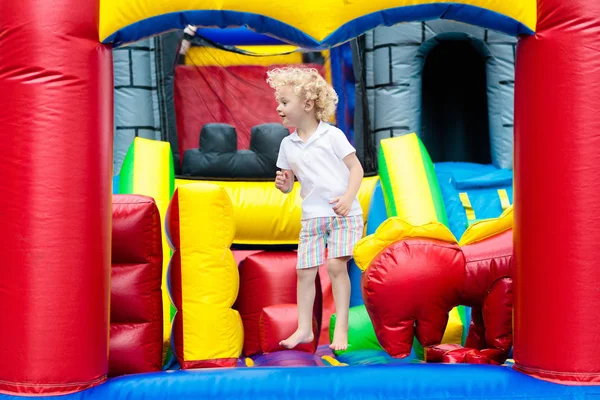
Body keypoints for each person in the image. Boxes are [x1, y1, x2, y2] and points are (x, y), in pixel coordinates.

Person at [267, 67, 364, 351]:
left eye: (285, 102)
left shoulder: (331, 135)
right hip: (312, 216)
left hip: (342, 213)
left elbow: (355, 169)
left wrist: (348, 197)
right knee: (304, 272)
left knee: (336, 267)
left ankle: (342, 330)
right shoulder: (288, 144)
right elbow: (288, 185)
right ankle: (304, 329)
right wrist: (283, 183)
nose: (278, 107)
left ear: (307, 105)